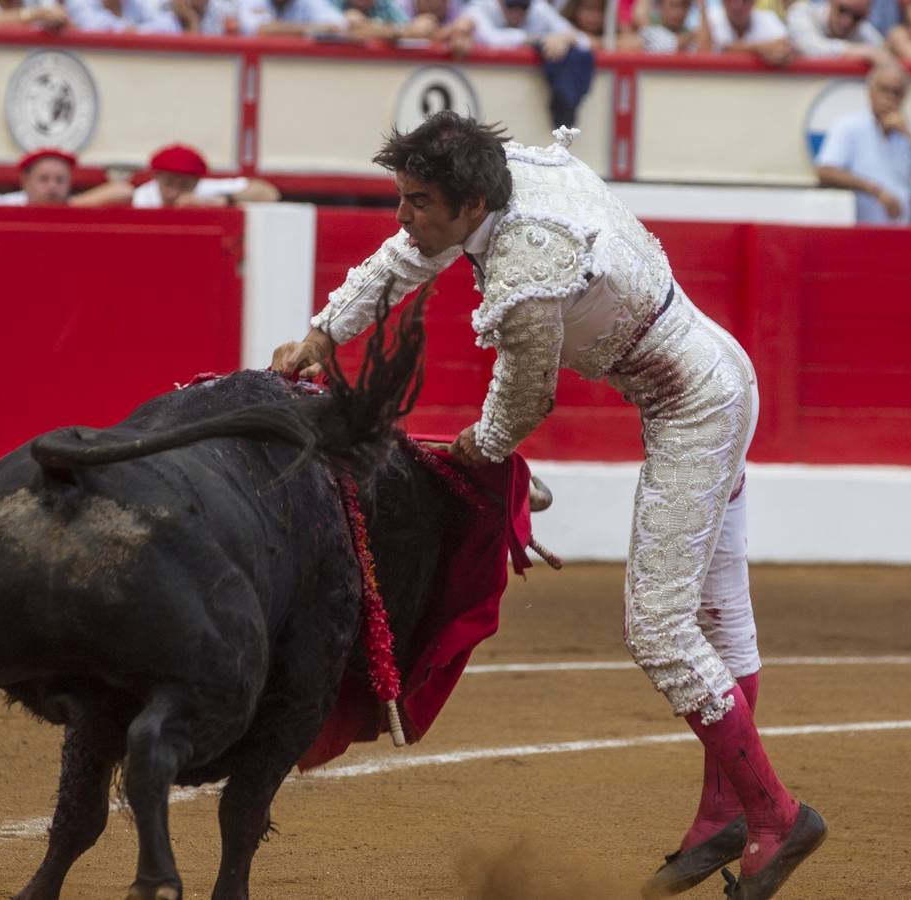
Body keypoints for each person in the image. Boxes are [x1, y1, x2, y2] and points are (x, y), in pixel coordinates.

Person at [271, 110, 827, 900]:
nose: (403, 214)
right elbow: (409, 253)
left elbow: (525, 397)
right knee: (717, 617)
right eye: (402, 195)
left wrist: (481, 445)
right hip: (714, 378)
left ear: (469, 204)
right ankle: (722, 816)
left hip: (695, 409)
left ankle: (775, 814)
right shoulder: (500, 189)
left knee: (663, 632)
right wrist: (328, 333)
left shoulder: (530, 260)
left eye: (418, 200)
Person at [815, 60, 911, 224]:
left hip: (901, 230)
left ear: (904, 97)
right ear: (870, 92)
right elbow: (826, 171)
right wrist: (876, 191)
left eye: (897, 92)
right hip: (857, 229)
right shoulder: (848, 126)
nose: (889, 97)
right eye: (884, 90)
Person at [455, 0, 595, 127]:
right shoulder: (479, 7)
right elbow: (491, 39)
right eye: (511, 4)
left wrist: (565, 38)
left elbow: (583, 41)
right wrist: (541, 39)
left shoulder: (538, 7)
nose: (518, 11)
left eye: (524, 6)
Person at [73, 144, 282, 208]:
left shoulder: (207, 191)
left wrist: (223, 201)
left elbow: (269, 193)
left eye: (184, 185)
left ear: (196, 182)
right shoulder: (145, 197)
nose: (174, 192)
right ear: (157, 177)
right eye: (169, 183)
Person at [786, 0, 886, 59]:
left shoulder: (864, 29)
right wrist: (864, 52)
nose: (847, 21)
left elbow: (882, 54)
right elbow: (810, 48)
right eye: (843, 10)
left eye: (857, 16)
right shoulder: (802, 13)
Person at [707, 0, 793, 63]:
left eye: (745, 0)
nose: (737, 5)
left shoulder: (768, 18)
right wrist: (763, 50)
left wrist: (736, 48)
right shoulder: (710, 19)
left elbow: (784, 46)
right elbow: (707, 53)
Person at [0, 148, 76, 206]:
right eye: (44, 179)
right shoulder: (3, 206)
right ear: (26, 182)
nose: (52, 186)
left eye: (60, 180)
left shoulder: (77, 206)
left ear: (69, 183)